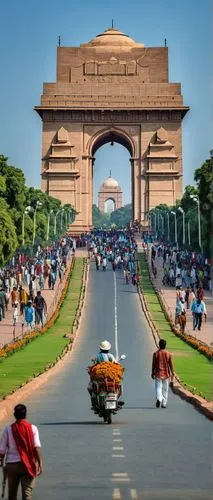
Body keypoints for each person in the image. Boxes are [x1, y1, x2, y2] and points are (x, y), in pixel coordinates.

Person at [0, 404, 43, 500]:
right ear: (25, 414)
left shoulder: (8, 429)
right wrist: (40, 463)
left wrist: (1, 461)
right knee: (27, 494)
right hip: (27, 465)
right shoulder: (33, 428)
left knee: (12, 494)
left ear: (15, 414)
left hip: (12, 465)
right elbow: (36, 447)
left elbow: (2, 450)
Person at [151, 338, 174, 408]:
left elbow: (153, 364)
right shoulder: (168, 354)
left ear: (159, 345)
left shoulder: (156, 354)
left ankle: (159, 398)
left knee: (158, 388)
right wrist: (172, 373)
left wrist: (152, 372)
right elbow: (171, 364)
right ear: (165, 345)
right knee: (165, 389)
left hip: (158, 374)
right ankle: (164, 404)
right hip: (166, 374)